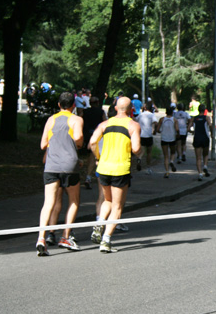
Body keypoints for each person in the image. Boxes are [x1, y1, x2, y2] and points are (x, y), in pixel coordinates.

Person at [88, 96, 141, 253]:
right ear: (131, 109)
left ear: (116, 108)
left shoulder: (104, 124)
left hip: (104, 167)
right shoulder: (133, 125)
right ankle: (106, 240)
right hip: (120, 168)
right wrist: (140, 152)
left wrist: (98, 156)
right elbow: (136, 148)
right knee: (117, 206)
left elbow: (92, 142)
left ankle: (100, 221)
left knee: (107, 200)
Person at [35, 92, 84, 256]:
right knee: (74, 201)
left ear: (58, 105)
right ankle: (65, 236)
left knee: (48, 202)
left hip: (51, 165)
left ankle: (41, 238)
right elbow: (78, 139)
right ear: (73, 106)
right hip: (69, 165)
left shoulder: (51, 120)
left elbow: (43, 144)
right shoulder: (76, 120)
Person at [82, 96, 107, 189]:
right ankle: (99, 176)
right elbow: (105, 123)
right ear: (97, 102)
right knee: (98, 156)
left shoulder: (85, 112)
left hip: (88, 136)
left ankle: (88, 177)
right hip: (99, 136)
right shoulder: (101, 112)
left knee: (91, 156)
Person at [188, 104, 212, 181]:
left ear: (198, 110)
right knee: (206, 154)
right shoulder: (206, 118)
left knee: (198, 158)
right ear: (204, 110)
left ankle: (200, 174)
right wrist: (211, 133)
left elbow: (188, 128)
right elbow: (210, 125)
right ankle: (205, 165)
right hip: (205, 138)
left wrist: (193, 131)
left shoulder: (194, 118)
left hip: (197, 138)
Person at [156, 104, 178, 178]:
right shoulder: (174, 120)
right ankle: (171, 161)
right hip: (172, 138)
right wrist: (177, 134)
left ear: (166, 112)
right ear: (172, 112)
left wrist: (161, 131)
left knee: (165, 156)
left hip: (164, 138)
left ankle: (167, 172)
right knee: (173, 152)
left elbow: (158, 129)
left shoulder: (162, 119)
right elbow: (177, 129)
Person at [137, 101, 157, 175]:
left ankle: (139, 158)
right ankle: (148, 168)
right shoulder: (152, 115)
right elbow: (156, 122)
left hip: (141, 135)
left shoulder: (141, 114)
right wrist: (154, 130)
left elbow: (135, 120)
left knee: (142, 151)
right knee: (149, 152)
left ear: (145, 107)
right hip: (149, 135)